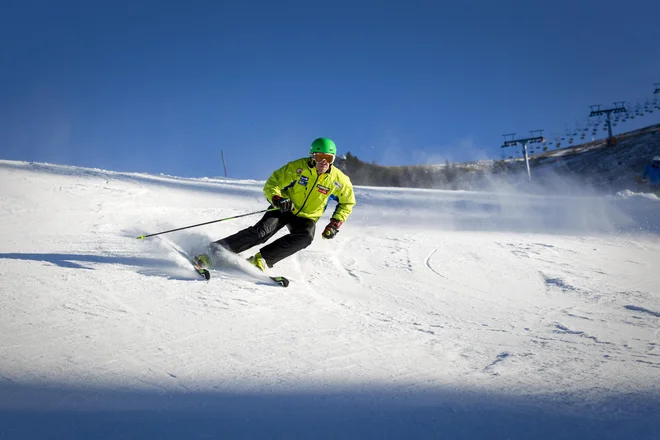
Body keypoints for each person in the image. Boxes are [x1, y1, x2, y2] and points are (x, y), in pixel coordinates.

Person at [194, 137, 356, 271]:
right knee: (261, 233)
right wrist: (277, 199)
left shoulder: (339, 180)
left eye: (328, 159)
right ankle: (211, 253)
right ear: (312, 156)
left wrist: (335, 224)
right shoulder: (298, 168)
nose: (323, 162)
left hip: (307, 217)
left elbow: (347, 202)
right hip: (285, 207)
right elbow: (273, 183)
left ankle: (260, 260)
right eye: (319, 157)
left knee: (305, 237)